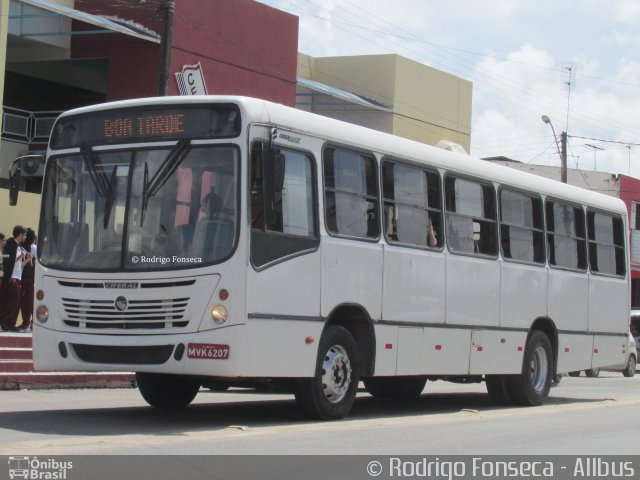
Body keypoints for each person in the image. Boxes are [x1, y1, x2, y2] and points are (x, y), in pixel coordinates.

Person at [1, 226, 31, 332]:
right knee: (12, 301)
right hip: (12, 278)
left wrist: (27, 260)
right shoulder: (10, 244)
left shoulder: (19, 247)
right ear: (20, 234)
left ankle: (11, 324)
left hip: (18, 277)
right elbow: (8, 262)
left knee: (17, 302)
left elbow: (19, 266)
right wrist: (19, 257)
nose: (25, 237)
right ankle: (3, 321)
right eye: (24, 235)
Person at [19, 229, 37, 331]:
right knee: (30, 300)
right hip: (32, 277)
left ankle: (25, 322)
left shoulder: (22, 247)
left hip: (22, 276)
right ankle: (30, 323)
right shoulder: (34, 247)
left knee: (22, 301)